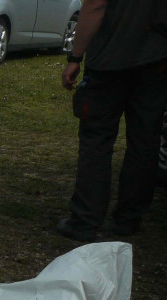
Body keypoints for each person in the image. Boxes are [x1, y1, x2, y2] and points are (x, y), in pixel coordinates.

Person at [57, 0, 167, 240]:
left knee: (96, 140)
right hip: (156, 59)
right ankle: (128, 220)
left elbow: (95, 5)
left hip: (110, 58)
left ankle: (85, 220)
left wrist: (75, 57)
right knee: (145, 141)